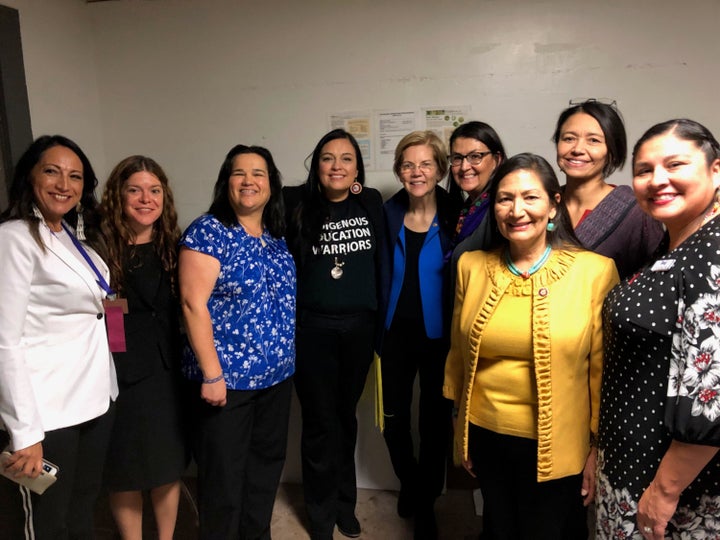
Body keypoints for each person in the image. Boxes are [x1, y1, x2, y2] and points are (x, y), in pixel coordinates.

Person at [443, 153, 619, 539]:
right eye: (505, 199)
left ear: (554, 202)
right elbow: (458, 354)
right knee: (499, 527)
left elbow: (602, 372)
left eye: (530, 197)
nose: (516, 210)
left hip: (561, 442)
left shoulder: (594, 271)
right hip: (487, 434)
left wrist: (596, 450)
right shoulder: (470, 266)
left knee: (553, 530)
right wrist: (461, 426)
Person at [597, 119, 720, 539]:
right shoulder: (672, 246)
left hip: (677, 492)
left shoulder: (714, 251)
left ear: (716, 171)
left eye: (674, 165)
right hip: (631, 467)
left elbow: (712, 393)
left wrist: (665, 491)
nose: (657, 180)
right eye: (644, 170)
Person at [0, 135, 118, 538]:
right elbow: (5, 341)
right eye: (52, 171)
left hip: (93, 403)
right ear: (29, 176)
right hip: (47, 414)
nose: (63, 184)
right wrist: (25, 433)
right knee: (47, 522)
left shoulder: (69, 235)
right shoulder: (14, 238)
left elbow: (102, 309)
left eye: (75, 176)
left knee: (82, 508)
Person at [179, 145, 295, 539]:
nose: (249, 181)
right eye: (239, 173)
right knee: (224, 481)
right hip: (226, 383)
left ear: (271, 184)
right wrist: (212, 374)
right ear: (225, 182)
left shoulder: (275, 237)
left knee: (264, 471)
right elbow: (192, 304)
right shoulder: (208, 231)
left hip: (277, 379)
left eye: (258, 173)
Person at [283, 128, 387, 540]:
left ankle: (346, 504)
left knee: (345, 418)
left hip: (360, 328)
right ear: (317, 165)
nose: (337, 166)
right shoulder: (296, 204)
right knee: (319, 423)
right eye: (328, 158)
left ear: (357, 167)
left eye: (346, 158)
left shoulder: (372, 202)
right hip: (313, 331)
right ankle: (321, 514)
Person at [100, 156, 189, 540]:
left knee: (168, 465)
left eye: (154, 190)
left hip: (171, 372)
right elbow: (110, 313)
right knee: (126, 468)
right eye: (134, 190)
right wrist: (120, 364)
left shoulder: (176, 244)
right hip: (123, 373)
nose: (145, 198)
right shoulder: (100, 248)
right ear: (118, 196)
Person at [381, 131, 461, 539]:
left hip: (439, 341)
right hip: (392, 336)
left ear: (441, 169)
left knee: (433, 427)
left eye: (426, 164)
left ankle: (425, 501)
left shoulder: (457, 214)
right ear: (398, 170)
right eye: (408, 164)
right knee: (390, 422)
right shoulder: (386, 212)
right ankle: (410, 482)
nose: (417, 172)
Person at [552, 99, 664, 279]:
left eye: (593, 140)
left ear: (611, 151)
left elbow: (657, 280)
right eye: (569, 138)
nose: (578, 149)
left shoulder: (635, 212)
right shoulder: (543, 203)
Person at [446, 120, 508, 257]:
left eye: (475, 156)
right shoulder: (467, 207)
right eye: (457, 158)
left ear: (497, 160)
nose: (464, 167)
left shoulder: (502, 209)